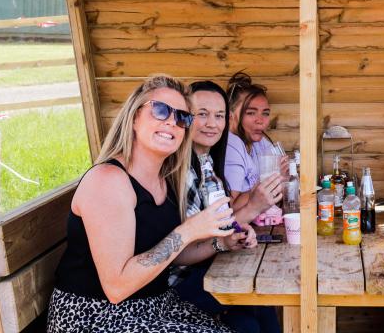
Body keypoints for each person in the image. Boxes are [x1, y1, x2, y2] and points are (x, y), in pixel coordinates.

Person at [48, 75, 236, 333]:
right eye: (160, 110)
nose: (171, 121)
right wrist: (189, 230)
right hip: (97, 316)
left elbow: (168, 253)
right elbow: (117, 287)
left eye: (182, 117)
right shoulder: (109, 181)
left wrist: (220, 242)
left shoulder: (167, 179)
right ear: (134, 117)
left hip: (153, 305)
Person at [172, 80, 280, 333]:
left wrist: (239, 231)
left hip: (207, 268)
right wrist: (251, 209)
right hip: (181, 283)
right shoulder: (180, 171)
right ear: (185, 117)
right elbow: (185, 248)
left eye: (218, 116)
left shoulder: (207, 161)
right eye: (202, 114)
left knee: (259, 307)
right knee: (255, 306)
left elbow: (223, 222)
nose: (212, 123)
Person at [224, 72, 285, 224]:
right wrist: (269, 183)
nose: (260, 121)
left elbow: (280, 186)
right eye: (250, 113)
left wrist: (283, 178)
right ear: (230, 115)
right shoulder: (231, 145)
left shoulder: (261, 141)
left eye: (265, 113)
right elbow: (226, 211)